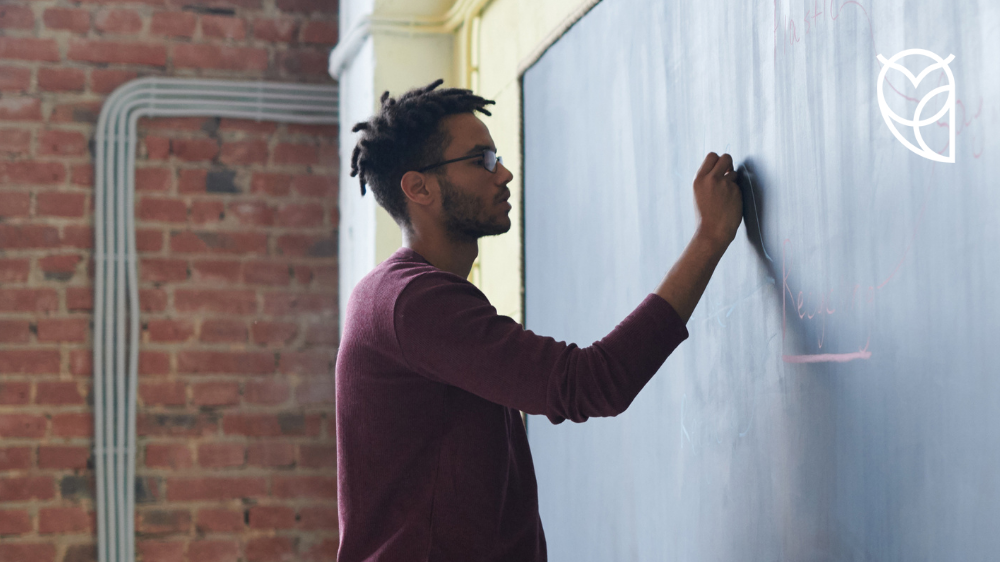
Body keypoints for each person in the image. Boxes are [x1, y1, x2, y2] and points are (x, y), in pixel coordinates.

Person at [335, 79, 744, 561]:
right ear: (418, 187)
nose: (504, 173)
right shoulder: (411, 302)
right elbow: (590, 382)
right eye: (482, 160)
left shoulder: (403, 298)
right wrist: (709, 239)